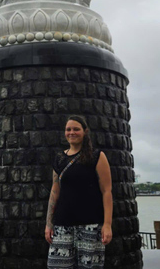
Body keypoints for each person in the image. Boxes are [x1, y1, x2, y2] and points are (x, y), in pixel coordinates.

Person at [45, 115, 113, 269]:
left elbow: (107, 191)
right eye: (68, 129)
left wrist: (107, 224)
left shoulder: (96, 156)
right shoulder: (59, 159)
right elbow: (55, 191)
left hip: (91, 224)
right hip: (63, 224)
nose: (72, 132)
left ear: (84, 132)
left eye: (76, 129)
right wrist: (49, 224)